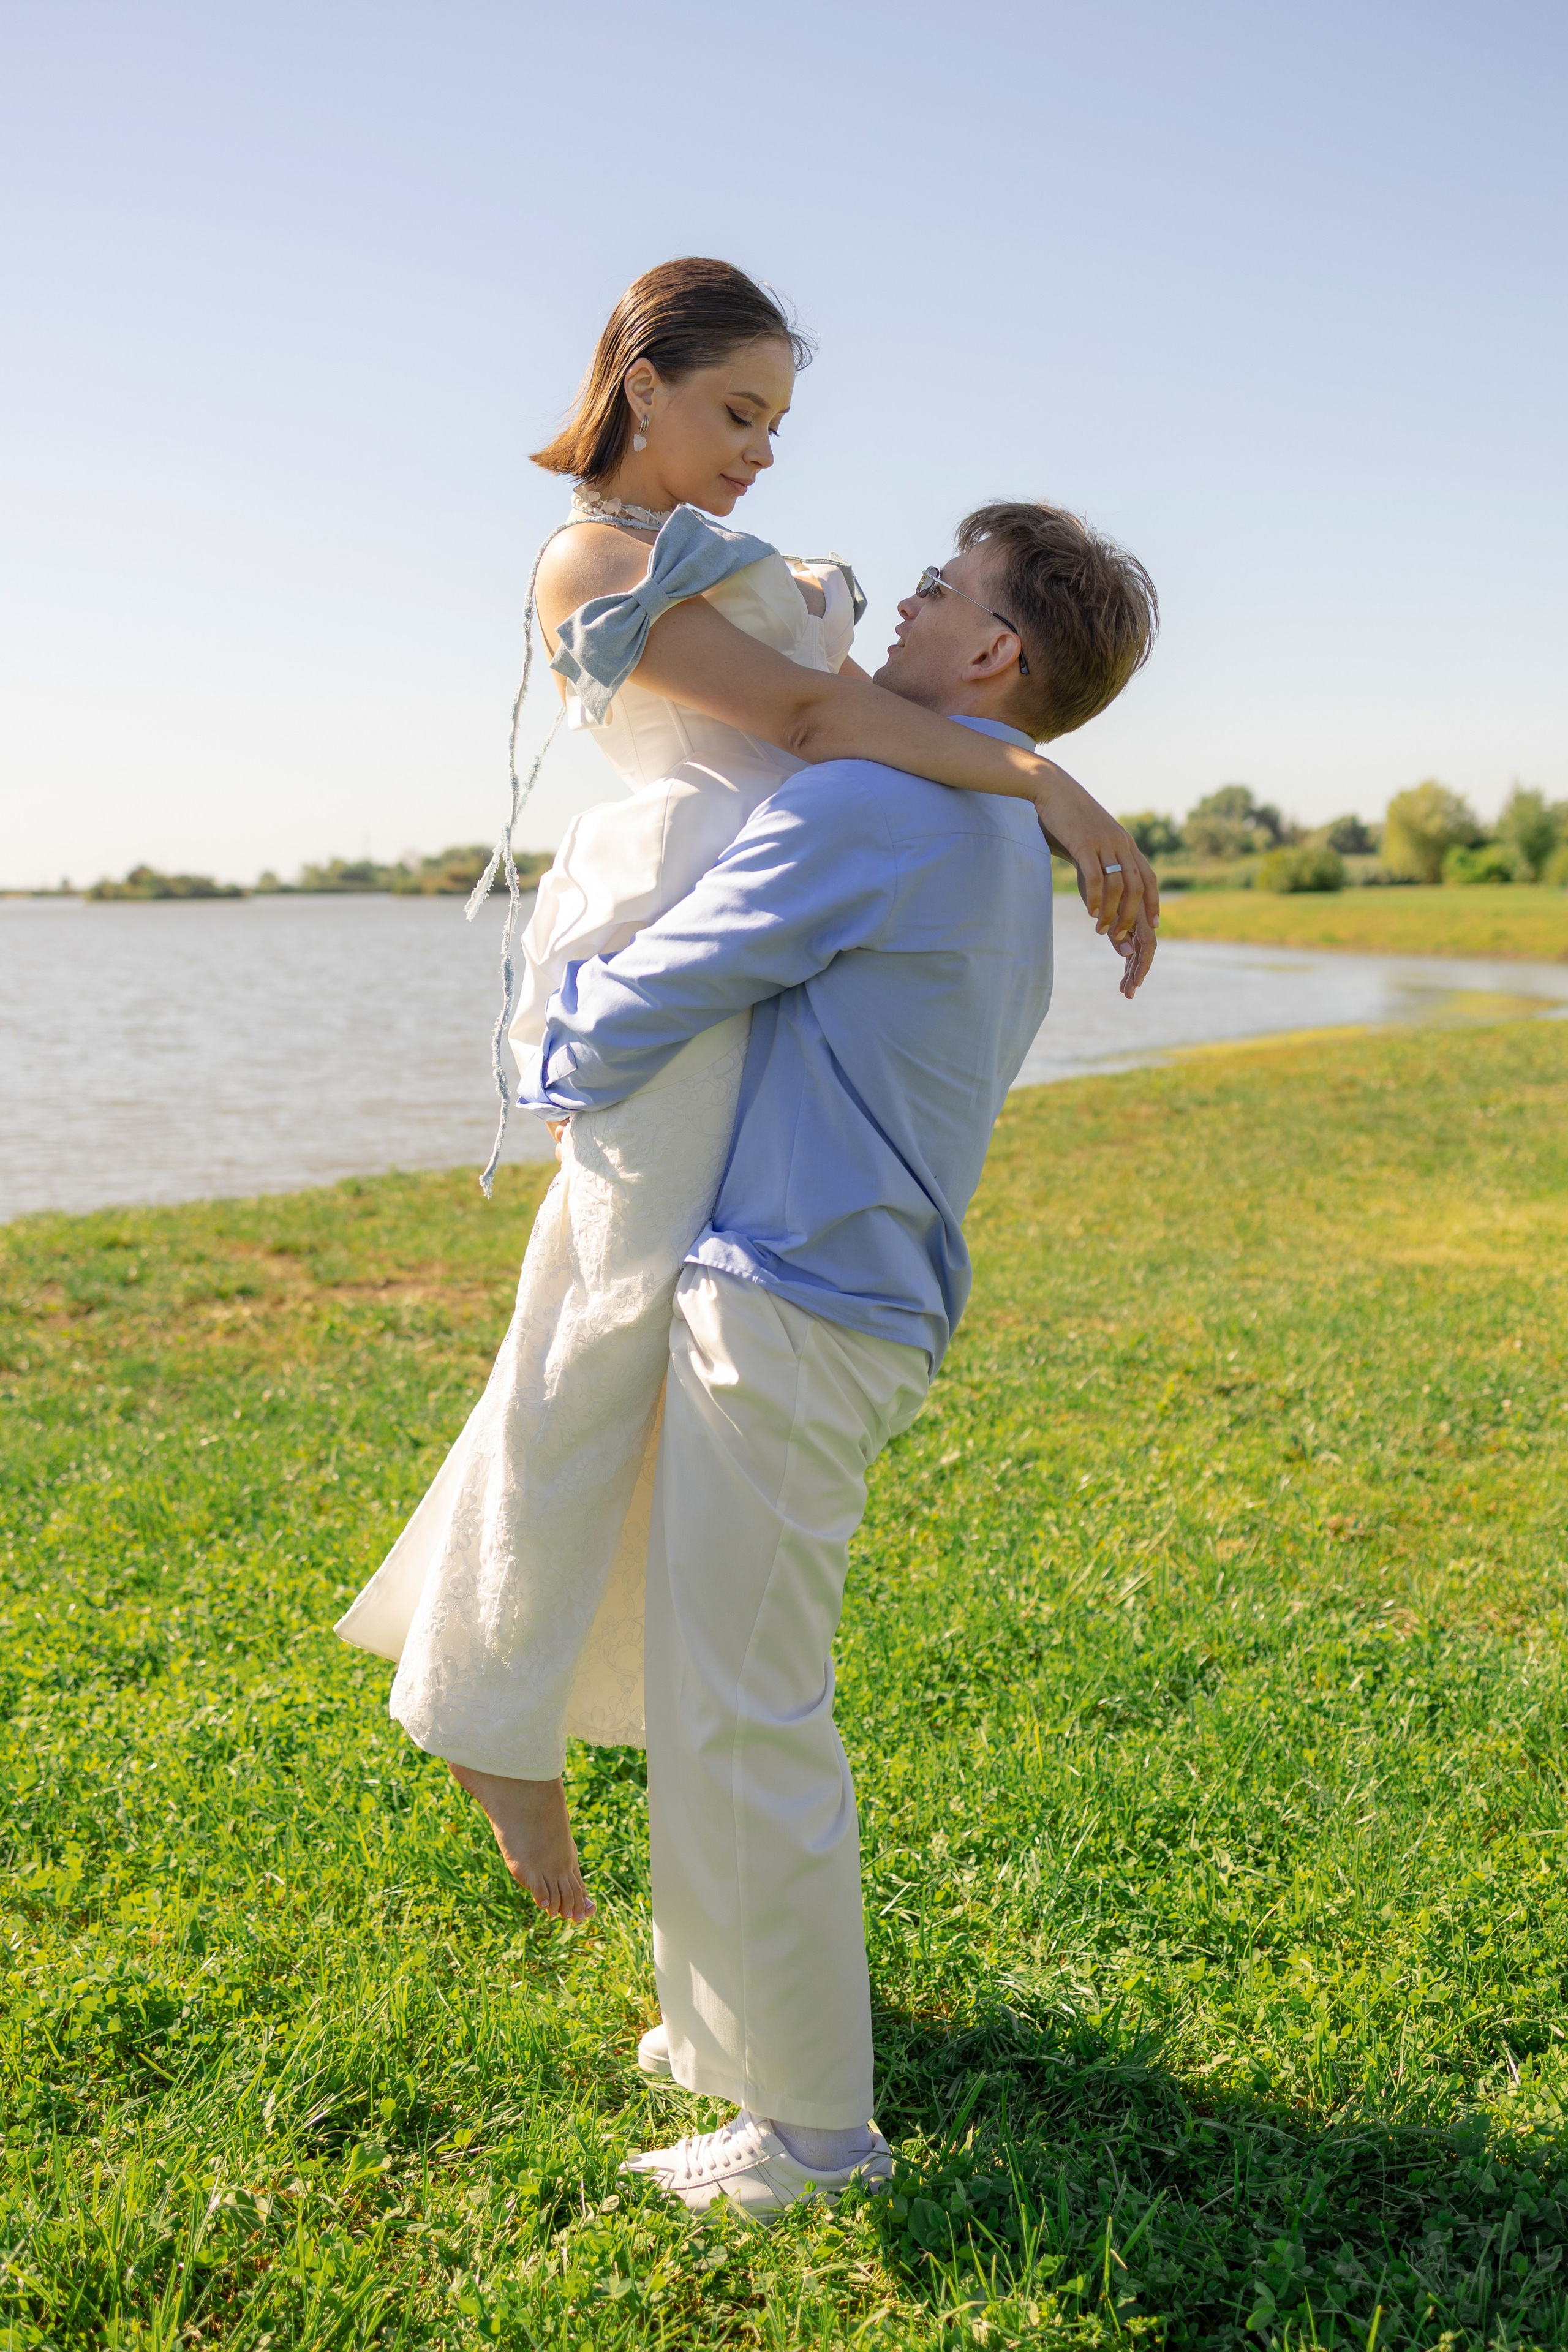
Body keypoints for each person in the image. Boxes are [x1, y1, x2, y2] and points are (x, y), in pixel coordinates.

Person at [334, 258, 1158, 1929]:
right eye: (736, 412)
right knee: (598, 1313)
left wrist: (1010, 762)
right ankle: (496, 1713)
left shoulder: (729, 556)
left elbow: (843, 710)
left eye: (778, 422)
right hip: (677, 928)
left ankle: (525, 1693)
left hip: (768, 936)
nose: (762, 451)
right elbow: (801, 704)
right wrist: (1045, 772)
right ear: (643, 384)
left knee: (657, 1353)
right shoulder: (592, 552)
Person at [513, 493, 1159, 2213]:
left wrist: (543, 1049)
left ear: (994, 654)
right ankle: (721, 2034)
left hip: (792, 1304)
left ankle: (811, 2133)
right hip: (841, 1295)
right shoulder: (978, 831)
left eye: (939, 592)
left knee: (743, 1712)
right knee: (715, 1689)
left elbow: (677, 977)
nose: (904, 609)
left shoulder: (883, 802)